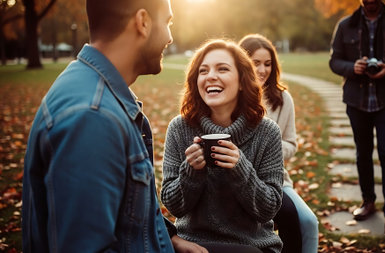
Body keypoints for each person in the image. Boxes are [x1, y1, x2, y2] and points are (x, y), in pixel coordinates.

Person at [21, 0, 208, 252]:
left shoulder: (97, 92)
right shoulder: (92, 117)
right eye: (168, 22)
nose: (170, 37)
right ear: (143, 22)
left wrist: (168, 240)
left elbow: (124, 210)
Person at [160, 39, 284, 253]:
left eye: (223, 69)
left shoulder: (267, 132)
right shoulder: (180, 128)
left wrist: (240, 168)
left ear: (243, 81)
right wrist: (191, 172)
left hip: (251, 246)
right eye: (203, 71)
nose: (210, 76)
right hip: (193, 244)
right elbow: (174, 207)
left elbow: (269, 209)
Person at [329, 0, 385, 234]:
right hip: (357, 102)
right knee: (363, 153)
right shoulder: (345, 24)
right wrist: (352, 67)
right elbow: (334, 61)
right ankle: (368, 202)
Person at [239, 34, 318, 253]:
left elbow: (291, 144)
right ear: (242, 63)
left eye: (267, 64)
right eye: (256, 63)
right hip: (237, 181)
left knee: (308, 222)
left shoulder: (283, 100)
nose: (263, 70)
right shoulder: (232, 96)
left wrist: (267, 148)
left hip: (275, 179)